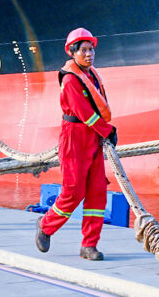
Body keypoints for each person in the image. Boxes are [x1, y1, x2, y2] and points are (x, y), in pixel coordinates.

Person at [35, 28, 115, 260]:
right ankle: (46, 226)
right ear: (73, 53)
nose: (90, 54)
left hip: (93, 137)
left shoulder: (90, 75)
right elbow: (84, 113)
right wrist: (107, 130)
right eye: (84, 50)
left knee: (97, 193)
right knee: (73, 191)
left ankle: (89, 245)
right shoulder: (70, 79)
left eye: (91, 50)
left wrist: (104, 133)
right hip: (75, 138)